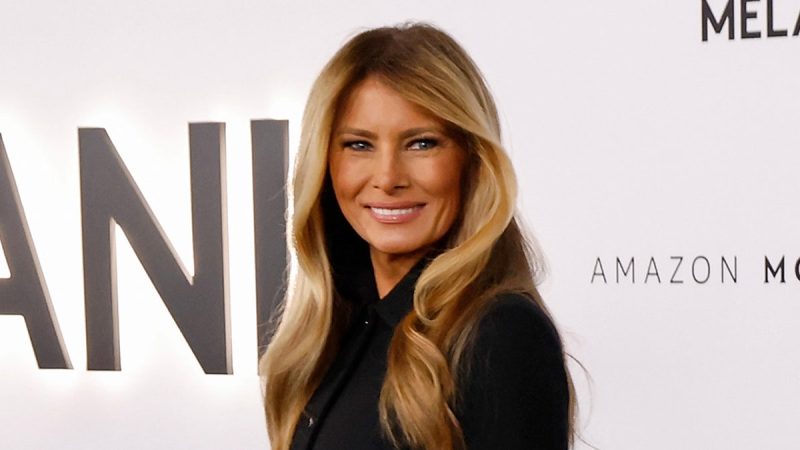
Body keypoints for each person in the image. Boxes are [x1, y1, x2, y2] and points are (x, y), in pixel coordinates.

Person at [260, 22, 575, 450]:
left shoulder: (499, 334)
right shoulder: (340, 325)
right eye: (359, 145)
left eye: (422, 143)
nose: (388, 177)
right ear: (325, 161)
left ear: (472, 159)